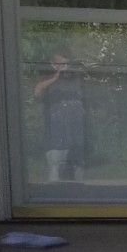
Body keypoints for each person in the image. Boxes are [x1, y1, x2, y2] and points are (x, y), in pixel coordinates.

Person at [33, 50, 87, 183]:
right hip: (55, 128)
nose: (62, 66)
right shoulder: (47, 78)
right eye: (59, 63)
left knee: (77, 162)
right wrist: (55, 77)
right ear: (53, 64)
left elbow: (85, 99)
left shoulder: (76, 78)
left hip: (75, 128)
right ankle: (53, 188)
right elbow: (37, 92)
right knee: (55, 163)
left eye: (65, 64)